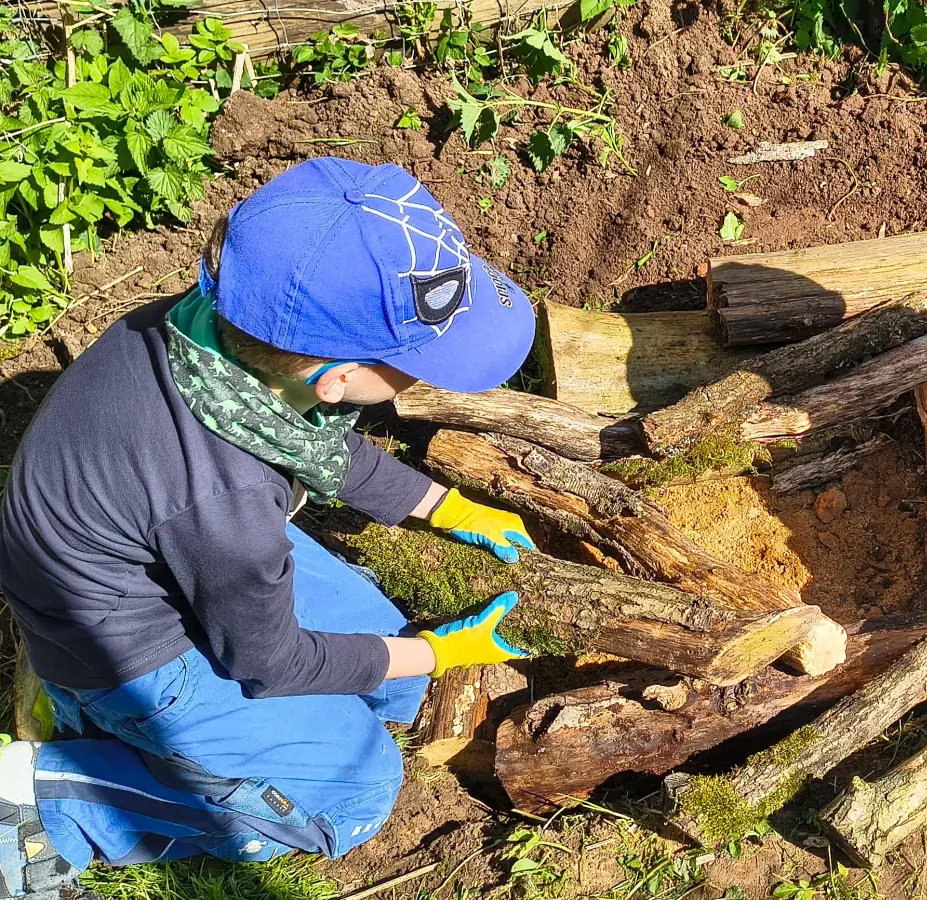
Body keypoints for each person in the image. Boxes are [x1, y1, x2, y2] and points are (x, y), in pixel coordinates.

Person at [0, 158, 543, 898]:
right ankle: (53, 795)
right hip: (117, 651)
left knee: (390, 692)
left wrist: (447, 508)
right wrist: (434, 650)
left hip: (153, 556)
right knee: (357, 791)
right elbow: (272, 663)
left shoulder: (212, 338)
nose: (426, 383)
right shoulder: (222, 495)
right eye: (418, 366)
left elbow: (312, 440)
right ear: (338, 377)